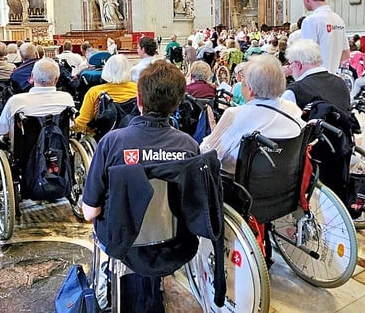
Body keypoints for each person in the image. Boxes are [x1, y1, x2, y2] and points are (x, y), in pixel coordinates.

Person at [81, 61, 200, 313]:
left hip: (124, 243)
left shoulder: (112, 142)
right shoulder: (189, 145)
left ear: (139, 99)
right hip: (175, 242)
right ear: (178, 103)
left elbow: (90, 212)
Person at [200, 56, 305, 173]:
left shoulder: (236, 115)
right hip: (284, 181)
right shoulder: (292, 109)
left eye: (243, 81)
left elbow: (207, 154)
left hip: (237, 184)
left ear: (251, 89)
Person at [0, 58, 76, 137]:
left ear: (32, 76)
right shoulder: (67, 98)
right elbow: (70, 126)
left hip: (23, 147)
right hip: (58, 145)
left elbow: (1, 130)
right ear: (56, 79)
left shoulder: (16, 101)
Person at [73, 54, 136, 134]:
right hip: (132, 134)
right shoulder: (138, 89)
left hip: (103, 137)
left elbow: (81, 123)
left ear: (106, 70)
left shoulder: (94, 92)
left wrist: (69, 126)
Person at [282, 40, 351, 112]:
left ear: (298, 64)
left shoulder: (293, 92)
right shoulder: (340, 82)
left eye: (290, 64)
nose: (290, 68)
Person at [299, 0, 347, 73]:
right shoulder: (339, 20)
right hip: (333, 78)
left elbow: (307, 57)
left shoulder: (310, 21)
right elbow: (346, 53)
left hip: (316, 80)